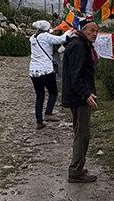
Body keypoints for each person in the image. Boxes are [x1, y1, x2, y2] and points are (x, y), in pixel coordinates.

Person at [61, 19, 99, 183]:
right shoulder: (79, 46)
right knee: (82, 135)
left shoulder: (80, 44)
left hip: (79, 95)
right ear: (83, 30)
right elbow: (75, 74)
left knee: (80, 132)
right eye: (91, 30)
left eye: (96, 31)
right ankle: (76, 172)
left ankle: (78, 167)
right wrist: (85, 94)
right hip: (78, 98)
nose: (94, 34)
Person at [29, 20, 73, 130]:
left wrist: (54, 29)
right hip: (46, 70)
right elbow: (61, 39)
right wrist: (69, 32)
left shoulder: (33, 37)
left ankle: (39, 121)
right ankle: (48, 113)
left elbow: (48, 32)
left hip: (34, 71)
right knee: (53, 92)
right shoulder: (47, 37)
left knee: (40, 96)